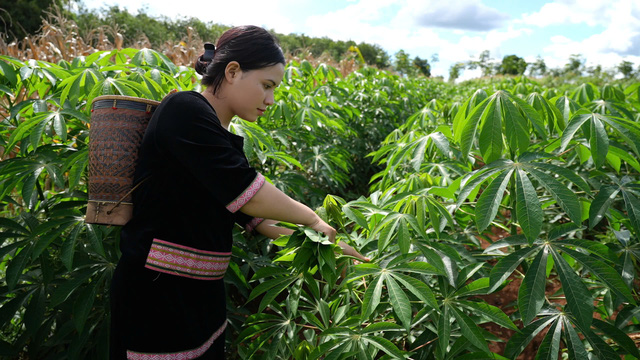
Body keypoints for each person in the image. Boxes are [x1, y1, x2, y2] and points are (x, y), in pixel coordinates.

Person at [109, 25, 367, 359]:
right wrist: (314, 219)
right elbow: (250, 192)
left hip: (202, 299)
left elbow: (258, 219)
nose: (270, 100)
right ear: (232, 72)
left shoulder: (220, 135)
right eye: (267, 86)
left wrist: (330, 249)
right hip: (158, 298)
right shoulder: (183, 111)